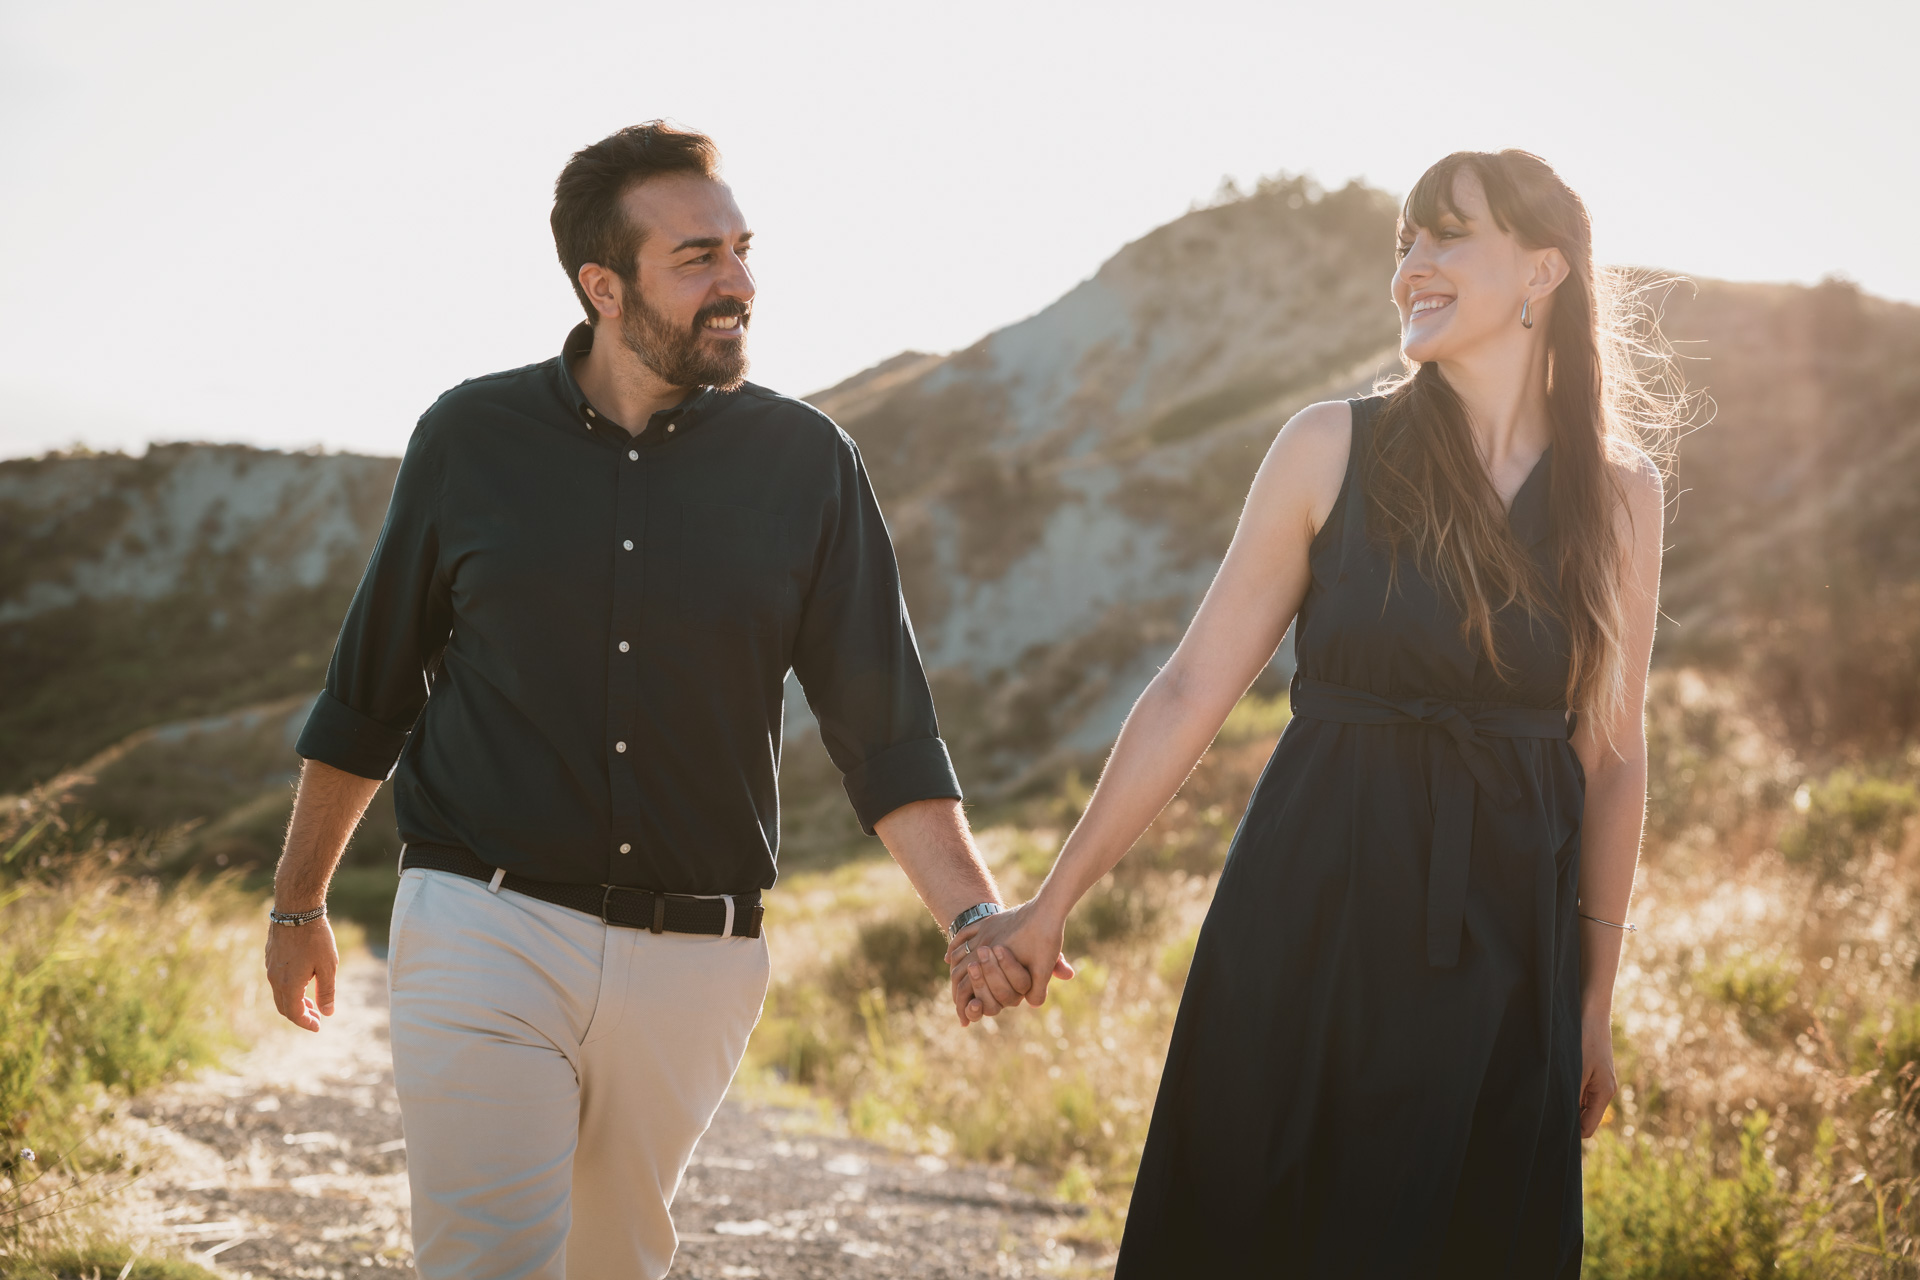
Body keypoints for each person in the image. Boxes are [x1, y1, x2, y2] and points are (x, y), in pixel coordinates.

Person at [263, 121, 1039, 1280]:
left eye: (742, 250)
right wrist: (299, 901)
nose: (739, 284)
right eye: (698, 258)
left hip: (697, 957)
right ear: (604, 285)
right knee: (488, 1261)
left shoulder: (808, 463)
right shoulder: (470, 438)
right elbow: (372, 687)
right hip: (485, 918)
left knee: (615, 1259)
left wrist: (973, 916)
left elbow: (884, 732)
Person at [949, 150, 1669, 1275]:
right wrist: (1053, 902)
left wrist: (1591, 1001)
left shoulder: (1620, 495)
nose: (1412, 266)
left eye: (1447, 236)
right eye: (1404, 241)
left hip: (1508, 944)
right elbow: (1190, 688)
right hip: (1312, 912)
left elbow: (1612, 757)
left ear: (1544, 271)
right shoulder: (1331, 445)